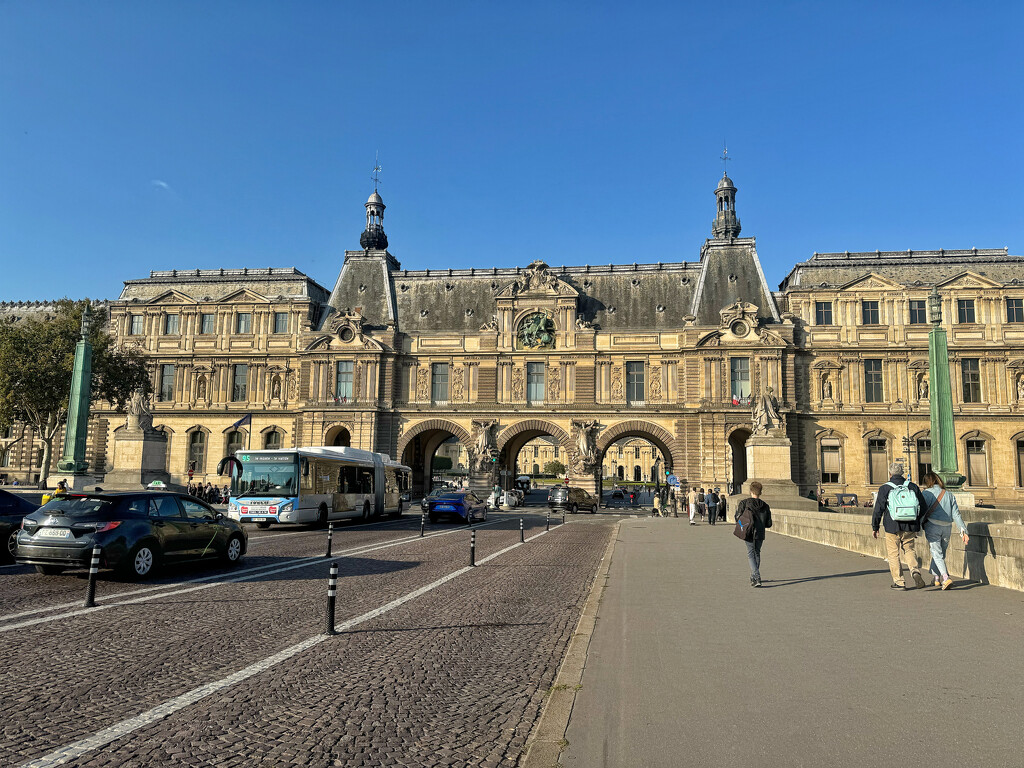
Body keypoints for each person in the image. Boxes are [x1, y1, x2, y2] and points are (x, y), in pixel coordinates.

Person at [871, 461, 929, 590]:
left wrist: (875, 527)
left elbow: (878, 509)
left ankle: (899, 582)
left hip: (892, 526)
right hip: (910, 525)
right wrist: (916, 521)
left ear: (890, 473)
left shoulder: (885, 488)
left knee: (893, 554)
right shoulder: (912, 486)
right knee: (909, 550)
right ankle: (915, 571)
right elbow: (923, 507)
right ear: (902, 473)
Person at [921, 472, 969, 590]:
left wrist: (917, 528)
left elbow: (921, 511)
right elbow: (956, 514)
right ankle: (936, 578)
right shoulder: (949, 494)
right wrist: (963, 532)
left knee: (936, 553)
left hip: (932, 525)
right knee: (940, 553)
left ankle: (946, 578)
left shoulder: (926, 493)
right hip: (947, 526)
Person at [735, 481, 772, 586]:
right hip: (760, 533)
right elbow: (769, 523)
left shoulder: (744, 503)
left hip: (749, 532)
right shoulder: (765, 505)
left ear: (751, 491)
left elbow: (738, 517)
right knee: (757, 553)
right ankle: (753, 576)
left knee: (751, 554)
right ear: (761, 492)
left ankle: (756, 576)